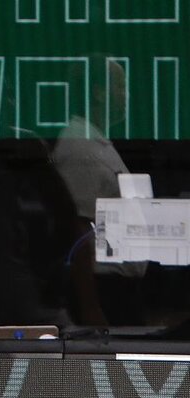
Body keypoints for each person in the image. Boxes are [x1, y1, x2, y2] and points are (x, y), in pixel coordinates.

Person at [52, 56, 146, 326]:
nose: (126, 95)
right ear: (99, 92)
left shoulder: (96, 142)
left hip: (118, 288)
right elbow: (79, 228)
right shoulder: (80, 146)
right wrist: (90, 306)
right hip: (103, 289)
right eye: (121, 86)